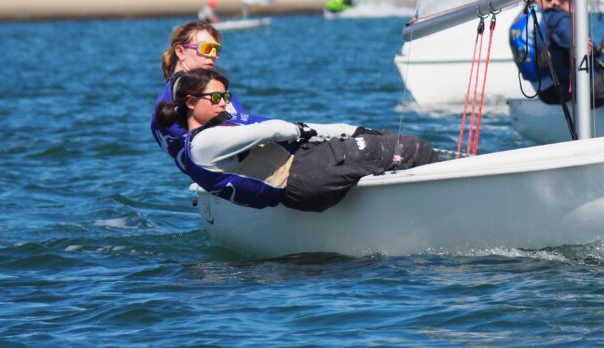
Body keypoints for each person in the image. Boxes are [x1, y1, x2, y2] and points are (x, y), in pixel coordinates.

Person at [155, 68, 437, 212]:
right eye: (216, 98)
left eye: (226, 98)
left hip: (303, 179)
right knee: (411, 147)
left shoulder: (211, 137)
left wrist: (349, 131)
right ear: (191, 102)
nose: (224, 104)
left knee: (388, 147)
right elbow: (272, 129)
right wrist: (300, 131)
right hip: (305, 174)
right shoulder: (204, 143)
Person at [151, 20, 265, 174]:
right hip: (234, 174)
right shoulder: (191, 92)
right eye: (206, 48)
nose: (213, 56)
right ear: (180, 52)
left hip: (216, 175)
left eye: (216, 50)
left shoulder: (186, 88)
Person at [510, 0, 604, 108]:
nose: (577, 3)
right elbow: (584, 48)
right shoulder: (559, 20)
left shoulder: (543, 19)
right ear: (556, 0)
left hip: (554, 91)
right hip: (580, 90)